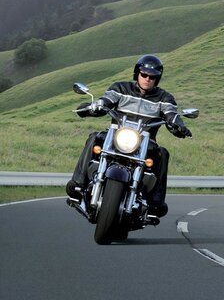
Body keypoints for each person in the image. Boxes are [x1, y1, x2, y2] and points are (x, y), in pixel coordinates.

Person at [66, 54, 192, 217]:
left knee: (162, 153)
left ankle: (156, 201)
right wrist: (95, 106)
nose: (148, 79)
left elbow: (171, 114)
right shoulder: (120, 88)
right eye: (144, 75)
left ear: (157, 79)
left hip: (146, 144)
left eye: (152, 77)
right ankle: (78, 184)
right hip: (116, 138)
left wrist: (178, 126)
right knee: (94, 137)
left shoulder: (164, 98)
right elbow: (106, 100)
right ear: (137, 74)